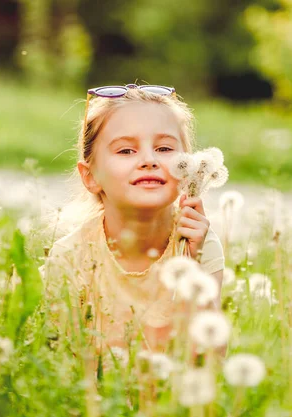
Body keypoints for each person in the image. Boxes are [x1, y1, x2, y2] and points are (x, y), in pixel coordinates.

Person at [40, 84, 224, 360]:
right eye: (126, 151)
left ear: (187, 167)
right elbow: (59, 362)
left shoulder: (199, 242)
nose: (149, 160)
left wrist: (192, 263)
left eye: (163, 148)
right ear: (90, 177)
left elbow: (211, 361)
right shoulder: (70, 256)